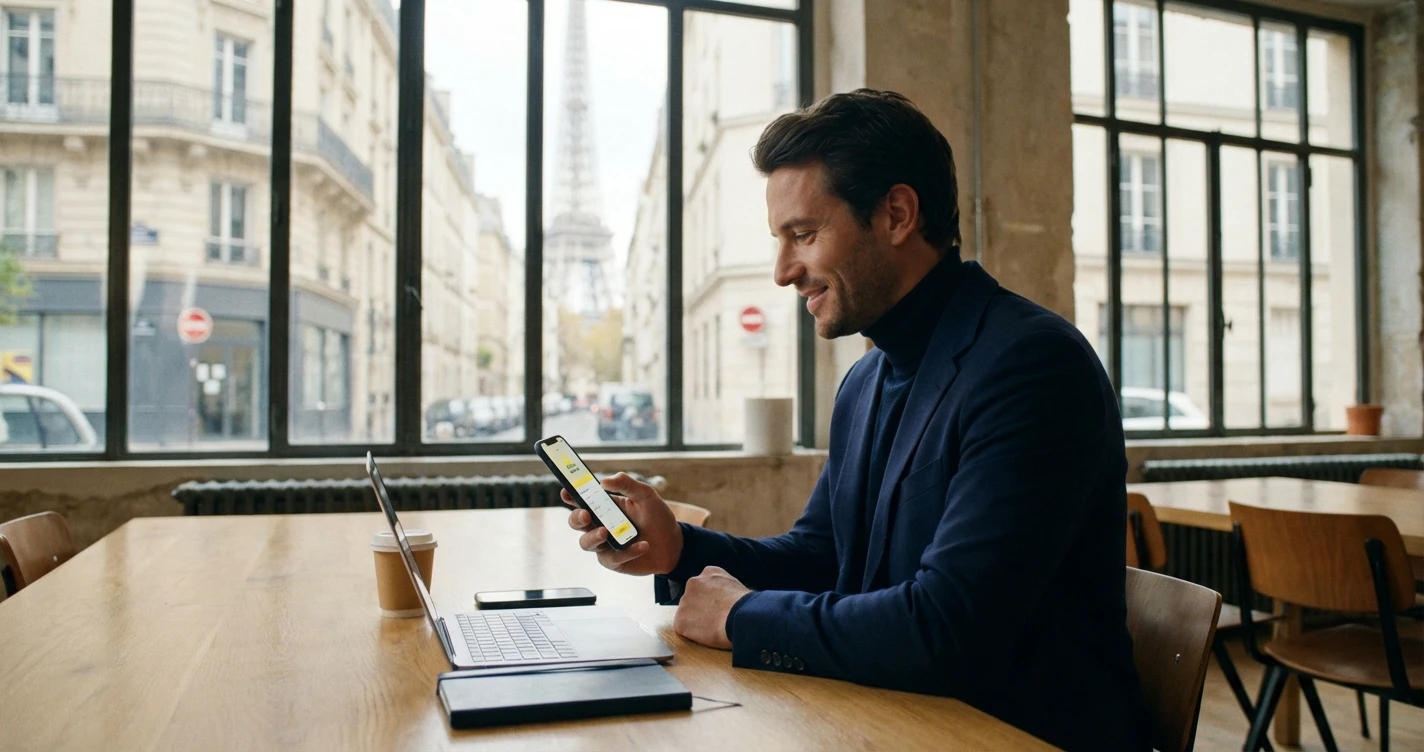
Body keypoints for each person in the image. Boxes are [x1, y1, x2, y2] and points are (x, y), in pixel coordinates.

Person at [563, 89, 1148, 751]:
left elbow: (946, 628)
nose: (784, 272)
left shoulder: (1032, 365)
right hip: (897, 720)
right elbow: (822, 558)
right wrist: (680, 550)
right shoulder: (866, 379)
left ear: (896, 213)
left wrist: (744, 616)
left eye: (803, 235)